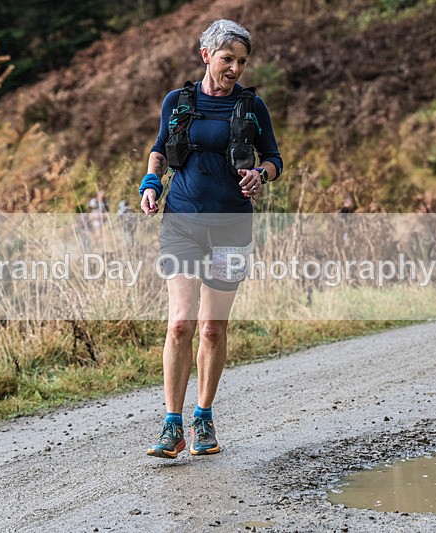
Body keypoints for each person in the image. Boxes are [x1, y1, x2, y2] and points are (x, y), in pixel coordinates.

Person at [139, 19, 282, 458]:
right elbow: (161, 148)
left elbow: (275, 158)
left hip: (232, 227)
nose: (235, 68)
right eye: (228, 59)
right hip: (181, 221)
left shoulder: (252, 107)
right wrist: (150, 181)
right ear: (206, 55)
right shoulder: (177, 102)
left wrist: (261, 174)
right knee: (180, 324)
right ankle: (171, 424)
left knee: (212, 329)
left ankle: (203, 416)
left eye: (241, 61)